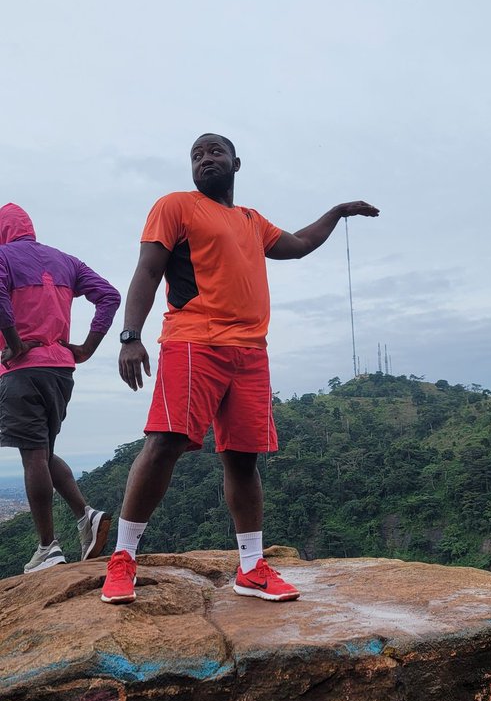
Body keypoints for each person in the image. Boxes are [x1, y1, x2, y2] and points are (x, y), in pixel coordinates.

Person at [100, 133, 379, 605]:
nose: (205, 158)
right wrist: (130, 335)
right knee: (165, 440)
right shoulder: (175, 206)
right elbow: (147, 271)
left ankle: (251, 566)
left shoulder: (250, 219)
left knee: (243, 456)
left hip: (250, 351)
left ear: (236, 162)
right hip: (193, 340)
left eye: (214, 152)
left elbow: (298, 244)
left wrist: (337, 211)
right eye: (196, 154)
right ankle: (123, 558)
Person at [0, 203, 121, 572]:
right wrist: (86, 348)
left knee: (32, 455)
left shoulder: (3, 257)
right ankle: (86, 516)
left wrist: (15, 343)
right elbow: (110, 296)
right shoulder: (66, 261)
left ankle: (47, 547)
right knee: (44, 449)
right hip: (61, 371)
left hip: (23, 370)